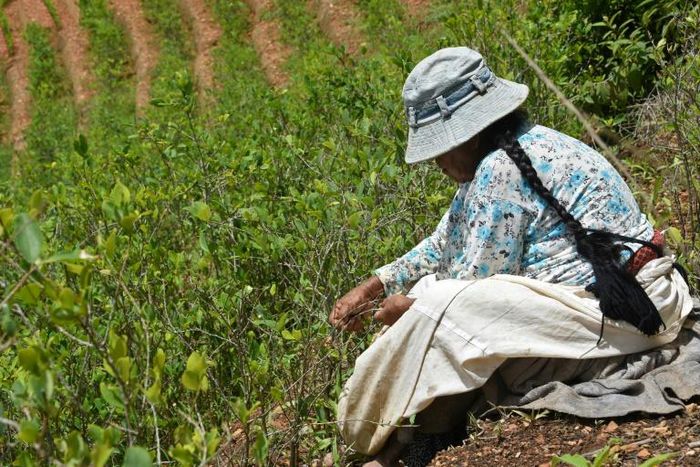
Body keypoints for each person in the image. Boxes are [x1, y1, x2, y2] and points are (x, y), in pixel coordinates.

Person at [329, 47, 694, 466]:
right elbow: (442, 242)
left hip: (620, 313)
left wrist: (407, 309)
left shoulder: (499, 171)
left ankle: (409, 441)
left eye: (440, 150)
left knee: (439, 308)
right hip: (637, 298)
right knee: (432, 297)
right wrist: (375, 285)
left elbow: (469, 292)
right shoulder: (517, 149)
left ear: (468, 134)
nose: (437, 162)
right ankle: (408, 440)